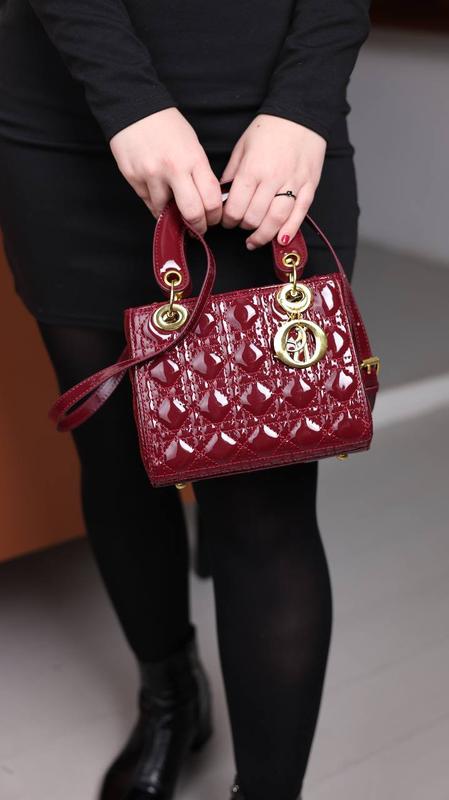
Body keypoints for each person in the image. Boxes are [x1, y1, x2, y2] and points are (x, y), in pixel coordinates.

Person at [0, 1, 371, 799]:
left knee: (266, 500)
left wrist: (305, 98)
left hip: (271, 124)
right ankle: (171, 697)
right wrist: (126, 96)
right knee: (118, 464)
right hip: (66, 115)